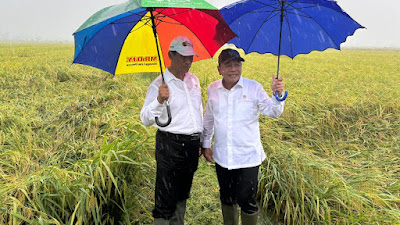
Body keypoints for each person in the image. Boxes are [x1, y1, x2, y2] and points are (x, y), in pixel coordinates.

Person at [201, 48, 285, 225]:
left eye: (237, 64)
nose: (234, 69)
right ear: (219, 69)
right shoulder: (213, 89)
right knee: (227, 198)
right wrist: (206, 143)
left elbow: (273, 112)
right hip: (223, 156)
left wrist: (277, 96)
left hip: (248, 157)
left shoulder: (253, 87)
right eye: (228, 65)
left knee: (246, 199)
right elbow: (208, 118)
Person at [140, 36, 203, 225]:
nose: (188, 61)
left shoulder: (194, 80)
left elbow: (197, 111)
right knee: (165, 197)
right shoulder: (159, 84)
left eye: (191, 56)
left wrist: (200, 139)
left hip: (191, 146)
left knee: (183, 193)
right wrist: (159, 100)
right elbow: (145, 118)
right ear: (170, 55)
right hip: (170, 145)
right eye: (183, 57)